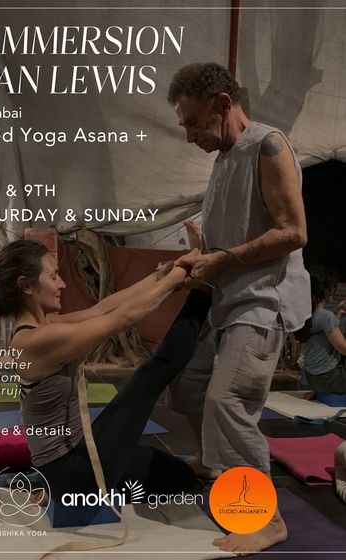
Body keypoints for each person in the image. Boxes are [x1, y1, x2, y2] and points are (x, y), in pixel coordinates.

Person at [167, 62, 311, 553]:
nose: (189, 135)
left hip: (261, 303)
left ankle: (266, 519)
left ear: (223, 104)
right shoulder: (225, 158)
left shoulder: (267, 145)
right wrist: (201, 250)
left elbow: (294, 231)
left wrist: (224, 258)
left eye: (193, 122)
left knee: (226, 399)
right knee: (187, 387)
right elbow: (235, 232)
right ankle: (216, 466)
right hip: (228, 301)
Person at [0, 239, 211, 503]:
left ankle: (71, 493)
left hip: (78, 456)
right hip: (71, 472)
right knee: (151, 375)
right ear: (27, 286)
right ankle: (205, 293)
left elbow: (102, 309)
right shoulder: (34, 342)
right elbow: (122, 318)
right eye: (53, 277)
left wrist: (159, 276)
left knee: (180, 476)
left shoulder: (46, 326)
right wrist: (184, 274)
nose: (62, 284)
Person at [298, 266, 346, 394]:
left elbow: (322, 332)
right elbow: (344, 349)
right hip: (330, 379)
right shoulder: (326, 316)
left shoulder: (306, 314)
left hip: (312, 379)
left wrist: (339, 314)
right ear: (326, 291)